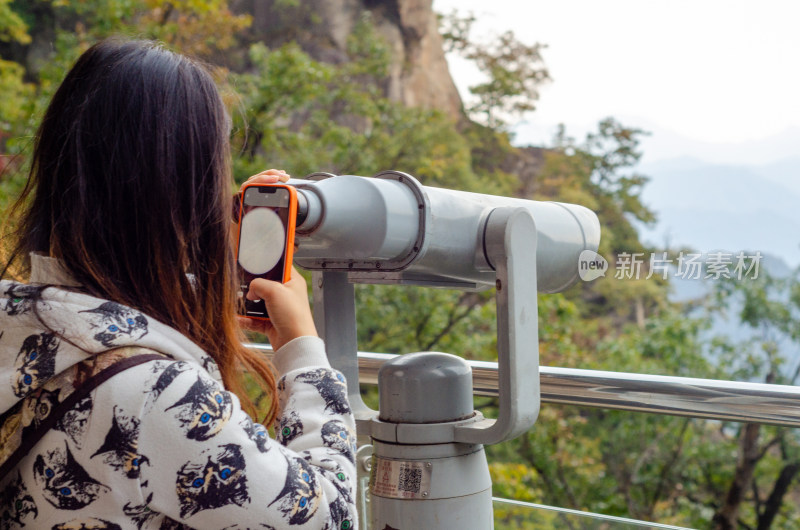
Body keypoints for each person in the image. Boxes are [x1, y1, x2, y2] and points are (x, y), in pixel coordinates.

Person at [0, 39, 357, 529]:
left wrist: (209, 273)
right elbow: (331, 517)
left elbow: (105, 314)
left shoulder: (18, 319)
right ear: (187, 196)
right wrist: (302, 351)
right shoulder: (155, 394)